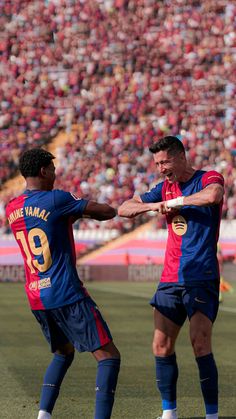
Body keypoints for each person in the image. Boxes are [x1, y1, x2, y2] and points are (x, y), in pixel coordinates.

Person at [6, 148, 120, 419]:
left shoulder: (11, 208)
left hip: (36, 295)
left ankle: (43, 414)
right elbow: (105, 212)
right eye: (53, 169)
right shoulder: (57, 199)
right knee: (109, 357)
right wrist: (83, 210)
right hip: (66, 292)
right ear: (44, 171)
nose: (56, 174)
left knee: (63, 353)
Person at [118, 136, 224, 419]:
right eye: (157, 163)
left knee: (200, 343)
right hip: (169, 277)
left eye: (164, 161)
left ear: (180, 156)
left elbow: (213, 195)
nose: (161, 168)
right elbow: (124, 208)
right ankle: (169, 413)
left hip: (201, 275)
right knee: (161, 346)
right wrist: (154, 206)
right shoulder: (162, 188)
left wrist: (178, 201)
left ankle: (211, 415)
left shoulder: (207, 177)